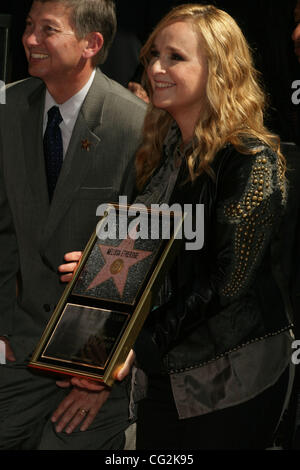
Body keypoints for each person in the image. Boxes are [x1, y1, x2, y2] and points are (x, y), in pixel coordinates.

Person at [62, 3, 295, 450]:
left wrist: (135, 346)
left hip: (230, 378)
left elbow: (225, 283)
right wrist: (102, 270)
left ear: (220, 70)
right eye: (154, 55)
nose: (155, 68)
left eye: (175, 57)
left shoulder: (249, 160)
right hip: (164, 373)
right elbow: (155, 261)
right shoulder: (163, 151)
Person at [0, 0, 146, 450]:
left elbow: (142, 257)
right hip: (18, 349)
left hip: (90, 360)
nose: (29, 39)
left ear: (91, 43)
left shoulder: (136, 125)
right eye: (28, 26)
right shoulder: (8, 107)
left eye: (47, 30)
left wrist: (97, 372)